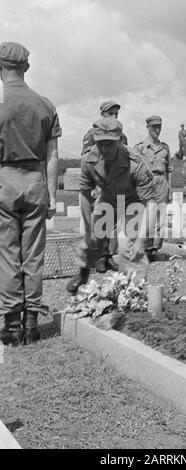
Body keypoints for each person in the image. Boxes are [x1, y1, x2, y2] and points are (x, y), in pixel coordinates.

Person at [0, 42, 62, 345]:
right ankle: (32, 321)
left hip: (5, 181)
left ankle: (11, 323)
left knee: (8, 252)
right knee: (34, 254)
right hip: (36, 181)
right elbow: (53, 156)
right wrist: (51, 194)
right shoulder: (45, 105)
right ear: (26, 67)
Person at [66, 118, 156, 294]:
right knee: (92, 240)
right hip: (107, 200)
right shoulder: (89, 160)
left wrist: (141, 240)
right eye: (100, 144)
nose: (104, 149)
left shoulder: (135, 163)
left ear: (120, 141)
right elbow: (84, 195)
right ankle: (83, 274)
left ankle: (136, 290)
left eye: (109, 144)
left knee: (127, 248)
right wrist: (88, 228)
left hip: (131, 203)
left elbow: (151, 204)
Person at [82, 100, 128, 273]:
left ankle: (109, 256)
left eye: (117, 114)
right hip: (100, 183)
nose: (115, 117)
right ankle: (99, 257)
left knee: (116, 222)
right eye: (111, 113)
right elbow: (87, 161)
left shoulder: (121, 135)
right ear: (103, 114)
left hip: (118, 183)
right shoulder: (92, 134)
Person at [134, 116, 172, 261]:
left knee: (160, 219)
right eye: (154, 127)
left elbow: (168, 170)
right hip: (147, 183)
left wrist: (169, 189)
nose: (157, 130)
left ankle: (155, 249)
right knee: (147, 218)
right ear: (148, 128)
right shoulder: (140, 148)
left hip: (162, 182)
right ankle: (145, 248)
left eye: (159, 127)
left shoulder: (165, 148)